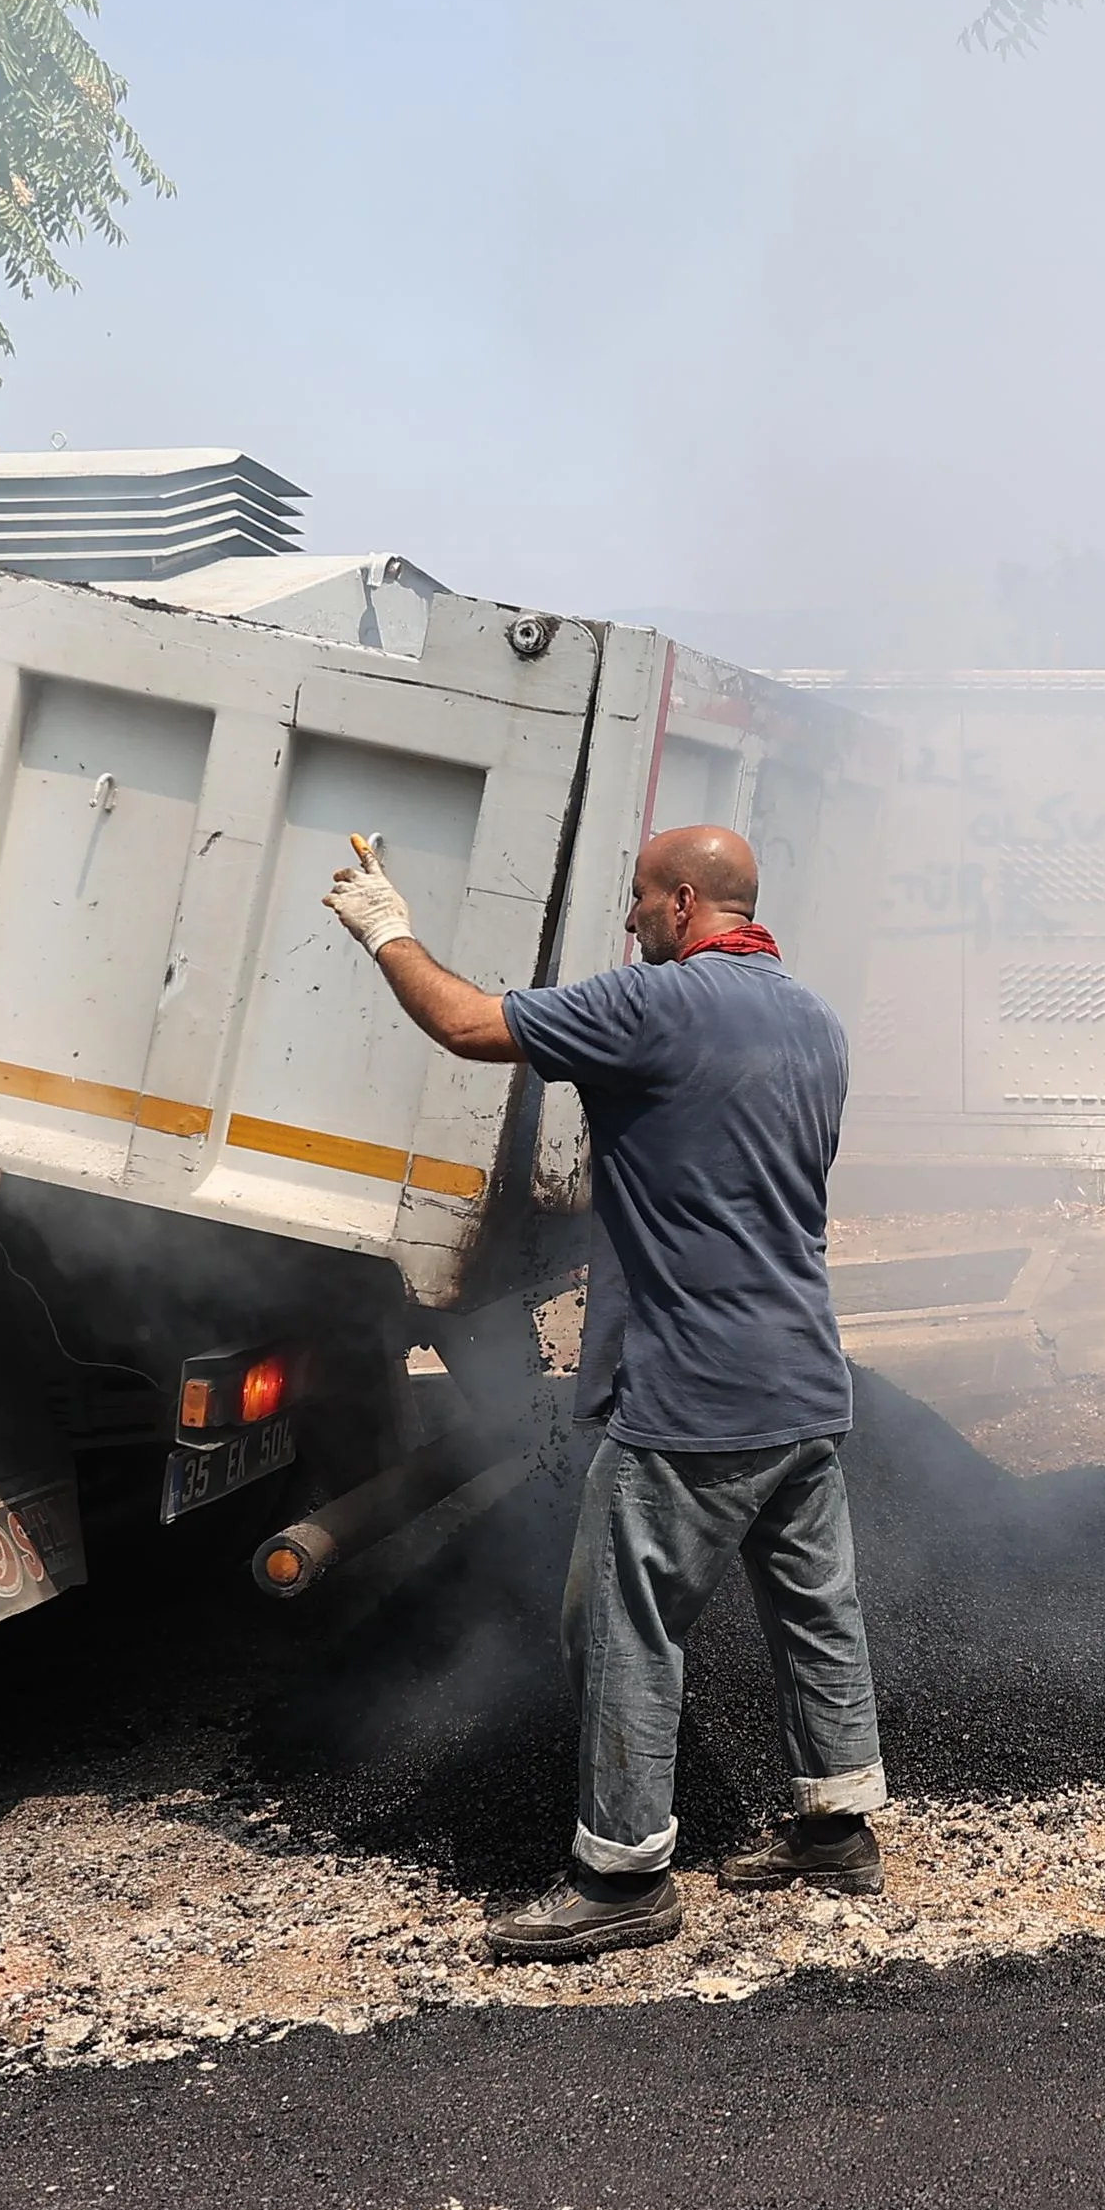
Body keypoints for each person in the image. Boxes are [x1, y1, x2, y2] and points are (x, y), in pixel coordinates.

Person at [325, 821, 889, 1961]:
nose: (628, 920)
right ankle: (839, 1831)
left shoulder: (657, 1004)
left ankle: (622, 1874)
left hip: (694, 1388)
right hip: (803, 1376)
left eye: (637, 900)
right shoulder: (818, 1022)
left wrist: (387, 929)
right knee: (816, 1609)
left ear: (683, 903)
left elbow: (466, 1021)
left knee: (621, 1620)